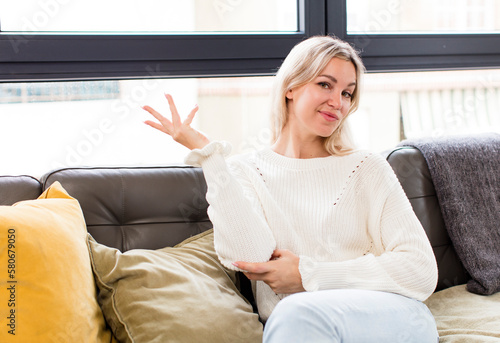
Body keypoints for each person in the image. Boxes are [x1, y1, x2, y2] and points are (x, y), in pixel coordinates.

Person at [142, 35, 439, 342]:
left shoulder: (366, 167)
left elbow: (420, 270)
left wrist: (309, 275)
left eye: (348, 93)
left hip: (391, 318)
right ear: (290, 87)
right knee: (296, 314)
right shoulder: (245, 171)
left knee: (297, 312)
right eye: (325, 84)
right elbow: (251, 258)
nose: (338, 103)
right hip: (299, 326)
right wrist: (210, 157)